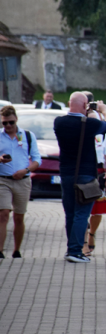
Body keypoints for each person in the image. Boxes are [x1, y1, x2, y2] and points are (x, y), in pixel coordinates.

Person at [54, 92, 106, 263]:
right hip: (86, 174)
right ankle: (76, 251)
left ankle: (70, 249)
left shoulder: (59, 122)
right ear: (85, 105)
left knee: (70, 214)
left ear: (69, 103)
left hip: (66, 174)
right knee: (82, 214)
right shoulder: (89, 124)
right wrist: (104, 110)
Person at [0, 106, 40, 259]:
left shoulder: (28, 136)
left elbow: (37, 160)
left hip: (22, 181)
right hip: (3, 180)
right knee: (3, 214)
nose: (8, 126)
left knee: (19, 217)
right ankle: (0, 250)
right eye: (4, 123)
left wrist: (26, 170)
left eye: (10, 122)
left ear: (16, 119)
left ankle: (16, 250)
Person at [83, 106, 106, 257]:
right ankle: (82, 243)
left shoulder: (102, 135)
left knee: (98, 209)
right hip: (85, 171)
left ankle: (92, 234)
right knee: (83, 208)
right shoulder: (81, 135)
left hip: (100, 171)